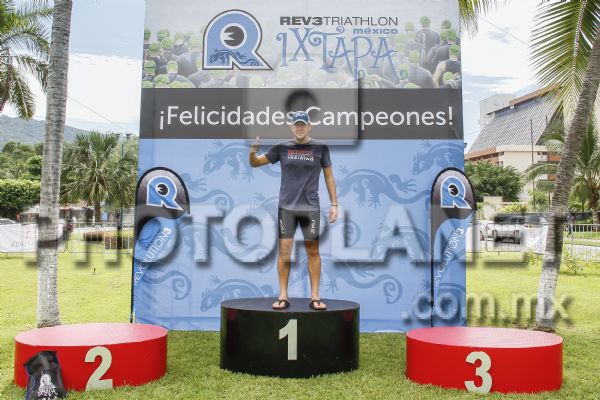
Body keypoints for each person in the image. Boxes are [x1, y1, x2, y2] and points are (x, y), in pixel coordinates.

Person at [249, 111, 338, 310]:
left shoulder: (321, 148)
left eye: (303, 124)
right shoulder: (282, 147)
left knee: (313, 251)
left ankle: (315, 296)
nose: (300, 128)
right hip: (287, 208)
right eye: (296, 124)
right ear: (291, 127)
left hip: (310, 208)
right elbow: (255, 163)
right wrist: (252, 152)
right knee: (285, 252)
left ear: (309, 126)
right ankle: (283, 295)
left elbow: (329, 177)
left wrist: (334, 204)